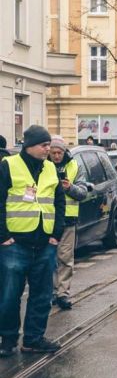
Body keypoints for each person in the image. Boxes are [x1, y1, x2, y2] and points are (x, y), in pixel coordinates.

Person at [0, 125, 65, 356]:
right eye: (44, 145)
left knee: (42, 295)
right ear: (29, 146)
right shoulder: (8, 165)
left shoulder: (50, 168)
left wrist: (56, 233)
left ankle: (33, 339)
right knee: (9, 295)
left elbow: (58, 201)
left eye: (49, 145)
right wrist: (3, 236)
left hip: (45, 243)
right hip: (15, 244)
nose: (48, 149)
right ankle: (7, 340)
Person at [48, 136, 88, 310]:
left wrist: (69, 187)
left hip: (68, 220)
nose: (56, 156)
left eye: (59, 152)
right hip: (47, 220)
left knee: (65, 258)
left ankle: (62, 293)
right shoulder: (43, 166)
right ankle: (50, 293)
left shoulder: (74, 166)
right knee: (48, 259)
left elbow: (83, 192)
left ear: (65, 152)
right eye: (53, 152)